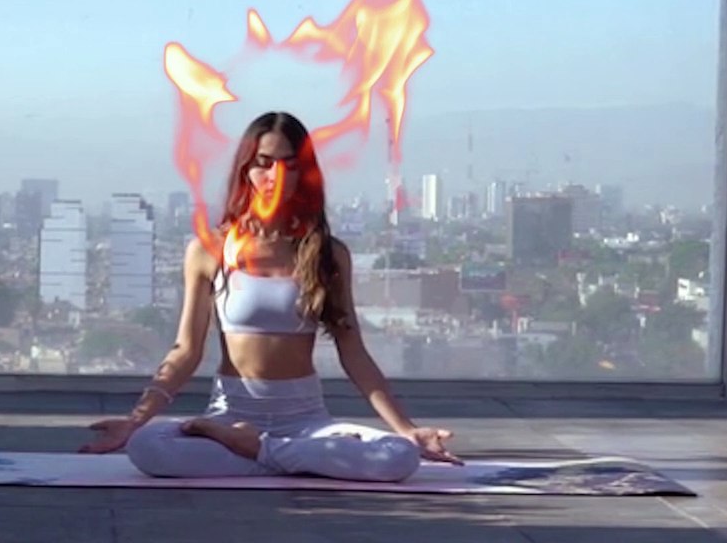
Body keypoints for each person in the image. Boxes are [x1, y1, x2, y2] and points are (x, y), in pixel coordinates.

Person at [80, 111, 461, 482]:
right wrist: (134, 421)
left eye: (289, 165)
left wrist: (407, 429)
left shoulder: (328, 254)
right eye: (263, 164)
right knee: (147, 446)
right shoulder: (210, 250)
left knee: (399, 457)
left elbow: (353, 351)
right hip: (231, 414)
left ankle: (256, 450)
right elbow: (186, 351)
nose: (275, 176)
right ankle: (290, 457)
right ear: (245, 169)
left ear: (304, 173)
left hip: (306, 420)